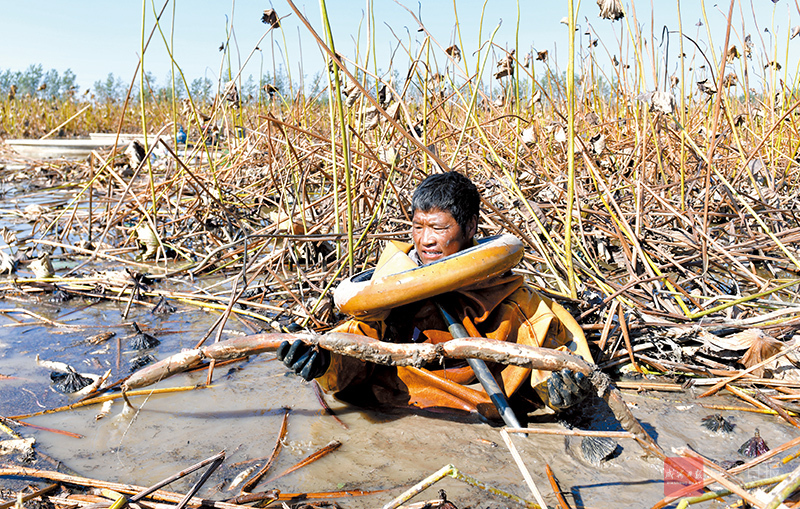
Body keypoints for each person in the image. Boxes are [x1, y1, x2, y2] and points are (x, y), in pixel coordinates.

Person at [277, 171, 594, 421]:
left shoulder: (511, 299)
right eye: (418, 226)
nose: (425, 240)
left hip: (481, 407)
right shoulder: (391, 284)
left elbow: (544, 343)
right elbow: (359, 337)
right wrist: (323, 361)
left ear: (469, 227)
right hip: (402, 401)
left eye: (439, 228)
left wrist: (558, 388)